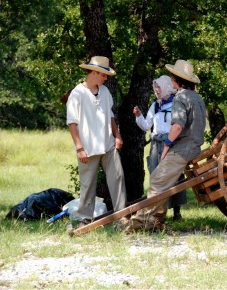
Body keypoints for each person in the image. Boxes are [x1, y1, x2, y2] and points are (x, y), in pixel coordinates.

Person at [125, 60, 206, 232]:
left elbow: (177, 126)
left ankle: (141, 221)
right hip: (194, 146)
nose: (171, 81)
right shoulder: (197, 98)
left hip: (183, 148)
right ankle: (156, 220)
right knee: (162, 180)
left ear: (177, 80)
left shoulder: (180, 97)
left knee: (157, 179)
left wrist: (168, 145)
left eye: (172, 77)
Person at [66, 56, 127, 228]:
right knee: (88, 184)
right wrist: (79, 147)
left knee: (118, 178)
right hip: (87, 147)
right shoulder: (77, 93)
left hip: (108, 144)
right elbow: (72, 122)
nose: (106, 78)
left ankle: (121, 217)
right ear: (94, 72)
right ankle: (83, 219)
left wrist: (118, 135)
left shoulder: (105, 92)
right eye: (104, 75)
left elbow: (111, 116)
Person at [133, 75, 187, 221]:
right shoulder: (155, 105)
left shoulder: (177, 103)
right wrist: (138, 116)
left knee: (174, 176)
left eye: (159, 87)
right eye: (155, 87)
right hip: (156, 144)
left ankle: (177, 212)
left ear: (167, 87)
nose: (156, 90)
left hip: (171, 143)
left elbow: (179, 125)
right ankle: (157, 212)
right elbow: (145, 126)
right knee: (156, 176)